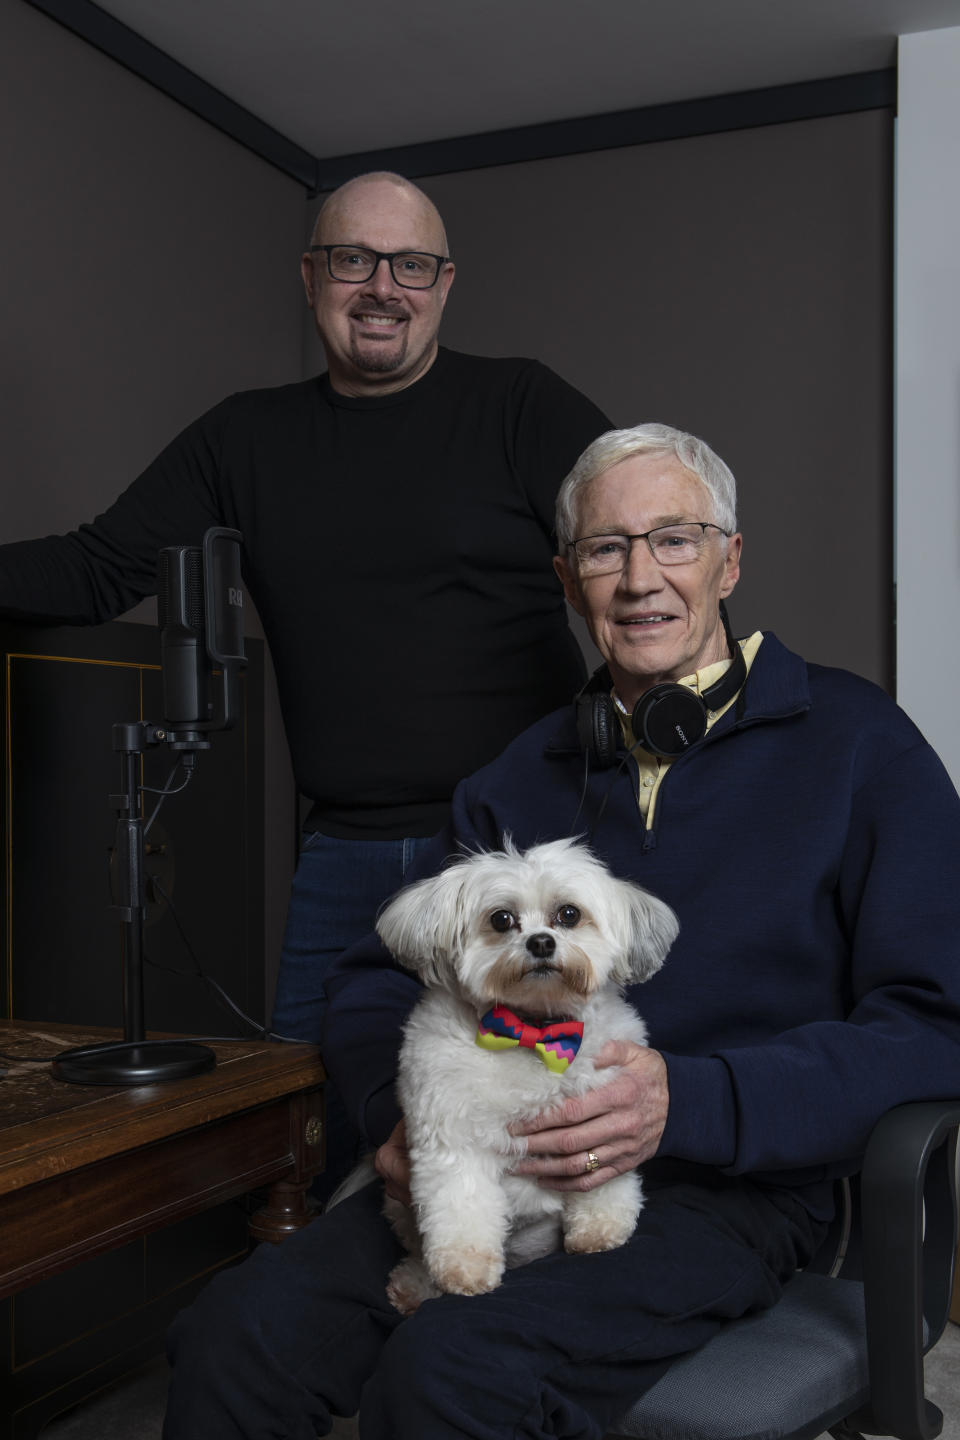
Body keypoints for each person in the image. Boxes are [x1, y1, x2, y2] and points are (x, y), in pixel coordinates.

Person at [161, 421, 960, 1439]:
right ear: (568, 576)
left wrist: (697, 1103)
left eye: (675, 538)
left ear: (730, 559)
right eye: (605, 548)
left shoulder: (864, 747)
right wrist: (397, 1121)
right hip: (486, 1153)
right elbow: (373, 979)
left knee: (456, 1369)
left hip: (727, 1189)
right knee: (238, 1331)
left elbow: (939, 1025)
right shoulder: (516, 776)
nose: (640, 578)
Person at [0, 172, 611, 1179]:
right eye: (353, 260)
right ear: (311, 275)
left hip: (512, 856)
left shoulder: (520, 403)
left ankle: (496, 1327)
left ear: (444, 282)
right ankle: (331, 1327)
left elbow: (631, 542)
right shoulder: (246, 437)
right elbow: (98, 564)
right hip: (345, 860)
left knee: (524, 1122)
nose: (383, 286)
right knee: (314, 1131)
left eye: (410, 264)